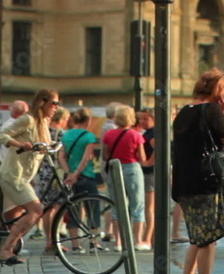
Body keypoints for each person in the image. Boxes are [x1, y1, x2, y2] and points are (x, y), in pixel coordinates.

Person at [172, 69, 224, 274]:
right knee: (208, 239)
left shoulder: (183, 112)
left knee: (197, 237)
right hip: (206, 181)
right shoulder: (211, 110)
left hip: (184, 182)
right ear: (218, 91)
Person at [0, 89, 60, 265]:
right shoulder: (28, 119)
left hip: (23, 177)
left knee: (10, 219)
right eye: (54, 103)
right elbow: (1, 135)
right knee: (36, 210)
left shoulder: (43, 122)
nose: (56, 107)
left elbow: (44, 146)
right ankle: (6, 250)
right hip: (13, 175)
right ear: (42, 102)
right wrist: (20, 144)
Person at [59, 107, 106, 252]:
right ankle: (93, 242)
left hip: (70, 178)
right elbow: (86, 159)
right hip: (86, 176)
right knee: (92, 208)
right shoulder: (89, 137)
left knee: (73, 208)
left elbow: (61, 156)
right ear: (88, 120)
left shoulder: (66, 136)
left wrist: (69, 173)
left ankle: (75, 244)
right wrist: (77, 173)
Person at [103, 105, 148, 251]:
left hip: (115, 169)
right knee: (137, 206)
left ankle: (118, 242)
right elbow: (142, 158)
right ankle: (138, 241)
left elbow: (105, 156)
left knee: (116, 206)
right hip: (132, 169)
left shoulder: (109, 134)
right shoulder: (136, 135)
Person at [37, 106, 70, 253]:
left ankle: (48, 240)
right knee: (55, 207)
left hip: (41, 172)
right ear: (62, 119)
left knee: (46, 207)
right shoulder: (63, 134)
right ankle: (53, 240)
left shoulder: (42, 132)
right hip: (56, 172)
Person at [135, 110, 157, 247]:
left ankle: (147, 238)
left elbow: (157, 148)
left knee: (149, 207)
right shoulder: (148, 133)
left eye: (146, 119)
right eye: (141, 119)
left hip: (150, 172)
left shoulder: (152, 134)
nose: (142, 122)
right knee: (149, 206)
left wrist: (149, 162)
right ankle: (150, 237)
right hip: (148, 172)